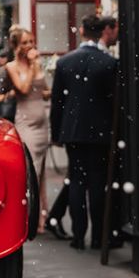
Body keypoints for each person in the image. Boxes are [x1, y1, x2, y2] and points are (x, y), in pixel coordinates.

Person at [50, 14, 117, 250]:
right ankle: (99, 236)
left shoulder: (65, 62)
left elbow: (58, 102)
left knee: (77, 181)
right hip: (100, 133)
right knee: (98, 183)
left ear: (81, 31)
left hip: (73, 131)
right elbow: (114, 102)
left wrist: (56, 133)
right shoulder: (108, 63)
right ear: (101, 33)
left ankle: (79, 236)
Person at [5, 26, 50, 233]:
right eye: (24, 42)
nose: (30, 45)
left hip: (42, 122)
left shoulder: (38, 64)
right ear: (16, 46)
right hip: (26, 123)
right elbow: (23, 88)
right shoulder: (12, 67)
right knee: (30, 170)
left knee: (41, 174)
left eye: (31, 41)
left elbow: (44, 89)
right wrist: (32, 65)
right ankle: (26, 217)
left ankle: (41, 218)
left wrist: (49, 92)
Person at [0, 47, 16, 121]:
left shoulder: (2, 70)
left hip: (6, 108)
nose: (0, 59)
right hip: (6, 107)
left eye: (3, 57)